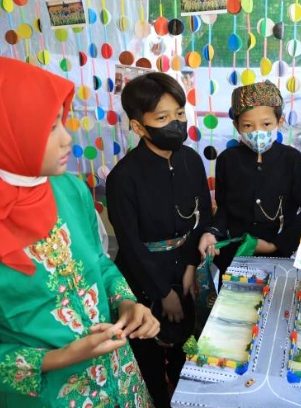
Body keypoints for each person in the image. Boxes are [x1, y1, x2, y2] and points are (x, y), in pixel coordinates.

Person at [0, 56, 160, 408]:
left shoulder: (68, 189)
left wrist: (127, 301)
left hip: (122, 381)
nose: (67, 138)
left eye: (62, 121)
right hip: (47, 397)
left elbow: (99, 264)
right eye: (48, 127)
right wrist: (57, 358)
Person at [106, 72, 211, 408]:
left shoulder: (192, 160)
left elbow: (203, 218)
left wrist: (192, 267)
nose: (176, 124)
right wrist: (162, 293)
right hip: (143, 282)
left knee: (188, 352)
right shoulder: (123, 178)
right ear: (139, 127)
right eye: (163, 118)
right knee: (149, 362)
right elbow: (130, 244)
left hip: (185, 271)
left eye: (180, 114)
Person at [198, 80, 301, 272]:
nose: (257, 132)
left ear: (279, 123)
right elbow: (223, 208)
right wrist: (212, 232)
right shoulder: (227, 160)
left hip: (279, 255)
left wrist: (277, 245)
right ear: (237, 126)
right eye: (248, 125)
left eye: (266, 124)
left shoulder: (292, 160)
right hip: (234, 254)